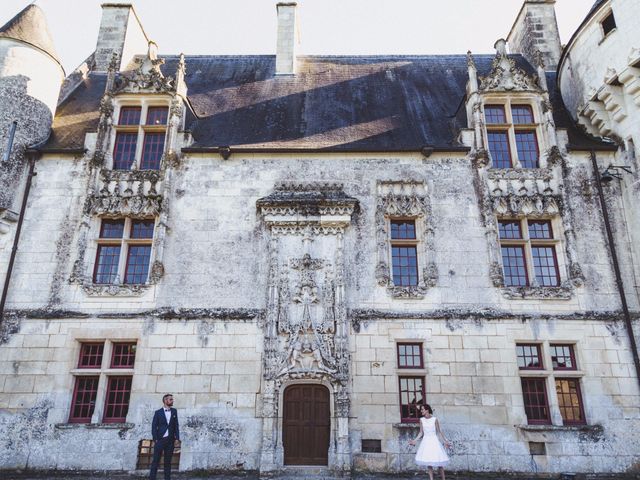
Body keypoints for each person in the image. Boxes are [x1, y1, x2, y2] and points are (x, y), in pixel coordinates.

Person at [408, 404, 451, 480]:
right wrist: (415, 440)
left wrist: (445, 441)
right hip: (426, 442)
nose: (421, 411)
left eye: (422, 409)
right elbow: (421, 432)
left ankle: (443, 479)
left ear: (427, 410)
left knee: (439, 461)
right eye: (421, 409)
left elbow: (439, 431)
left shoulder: (434, 419)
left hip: (434, 441)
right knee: (428, 462)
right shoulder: (421, 420)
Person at [150, 394, 181, 480]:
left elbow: (176, 425)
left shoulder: (174, 411)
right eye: (171, 399)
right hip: (160, 440)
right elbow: (154, 426)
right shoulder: (158, 412)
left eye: (172, 399)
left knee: (168, 462)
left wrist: (177, 438)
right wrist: (155, 439)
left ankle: (167, 478)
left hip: (170, 440)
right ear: (165, 401)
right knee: (155, 461)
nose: (172, 401)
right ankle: (152, 478)